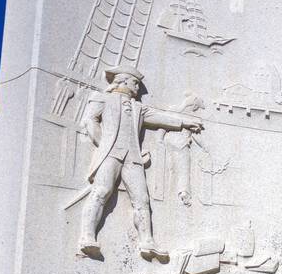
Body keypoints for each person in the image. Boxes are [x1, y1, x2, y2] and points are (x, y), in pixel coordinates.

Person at [78, 66, 204, 260]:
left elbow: (160, 117)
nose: (137, 87)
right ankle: (87, 237)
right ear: (123, 80)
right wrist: (104, 144)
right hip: (110, 155)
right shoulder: (102, 98)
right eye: (134, 82)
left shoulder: (137, 107)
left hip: (133, 158)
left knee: (142, 200)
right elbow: (89, 121)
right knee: (101, 191)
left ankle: (147, 242)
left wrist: (185, 122)